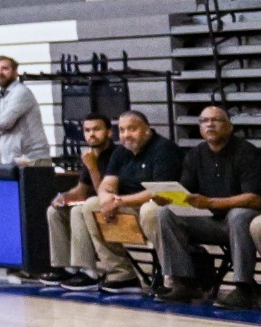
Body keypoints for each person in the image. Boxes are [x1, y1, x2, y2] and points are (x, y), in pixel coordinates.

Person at [151, 106, 261, 308]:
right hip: (212, 222)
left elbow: (256, 199)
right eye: (204, 121)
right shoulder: (195, 154)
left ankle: (244, 288)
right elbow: (187, 194)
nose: (210, 124)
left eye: (217, 120)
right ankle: (184, 282)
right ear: (199, 127)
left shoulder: (247, 152)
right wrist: (169, 199)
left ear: (230, 127)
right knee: (166, 213)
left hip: (244, 224)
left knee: (238, 215)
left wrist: (212, 202)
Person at [74, 109, 182, 294]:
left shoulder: (164, 149)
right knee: (92, 204)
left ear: (147, 129)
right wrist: (107, 197)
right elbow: (107, 184)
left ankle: (172, 278)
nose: (126, 135)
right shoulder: (121, 152)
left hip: (166, 208)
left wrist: (119, 201)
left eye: (132, 129)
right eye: (122, 130)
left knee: (151, 209)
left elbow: (159, 192)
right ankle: (121, 273)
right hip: (131, 209)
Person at [40, 113, 114, 287]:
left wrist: (92, 166)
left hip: (110, 209)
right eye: (87, 130)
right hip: (93, 208)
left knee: (78, 210)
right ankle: (66, 266)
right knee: (55, 211)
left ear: (109, 132)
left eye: (97, 129)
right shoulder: (91, 155)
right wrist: (64, 197)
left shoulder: (116, 155)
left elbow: (103, 192)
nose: (91, 134)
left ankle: (88, 270)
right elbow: (81, 189)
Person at [0, 55, 49, 163]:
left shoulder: (21, 92)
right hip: (13, 160)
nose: (0, 72)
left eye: (5, 68)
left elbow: (5, 122)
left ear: (15, 72)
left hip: (32, 158)